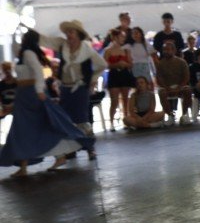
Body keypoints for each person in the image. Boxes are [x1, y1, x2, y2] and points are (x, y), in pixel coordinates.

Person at [1, 30, 93, 177]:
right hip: (25, 95)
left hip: (31, 94)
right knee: (30, 129)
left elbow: (38, 72)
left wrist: (39, 91)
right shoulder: (25, 53)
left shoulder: (28, 54)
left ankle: (34, 164)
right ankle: (33, 164)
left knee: (29, 128)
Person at [37, 20, 106, 160]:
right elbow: (45, 40)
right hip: (65, 88)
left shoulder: (87, 49)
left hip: (80, 88)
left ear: (78, 33)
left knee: (82, 119)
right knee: (66, 119)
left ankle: (90, 149)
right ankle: (71, 149)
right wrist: (30, 32)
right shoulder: (62, 45)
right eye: (67, 32)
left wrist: (92, 80)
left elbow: (102, 64)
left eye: (71, 32)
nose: (68, 34)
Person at [103, 29, 135, 131]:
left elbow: (131, 64)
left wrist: (125, 64)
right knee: (114, 100)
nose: (123, 39)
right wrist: (116, 64)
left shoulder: (126, 50)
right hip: (114, 75)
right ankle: (111, 122)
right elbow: (105, 65)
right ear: (115, 37)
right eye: (122, 37)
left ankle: (126, 120)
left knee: (125, 99)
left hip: (124, 74)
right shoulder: (108, 50)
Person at [155, 41, 192, 126]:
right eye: (164, 49)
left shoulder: (182, 62)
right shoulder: (160, 64)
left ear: (174, 50)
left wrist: (179, 87)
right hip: (167, 88)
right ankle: (170, 116)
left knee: (188, 90)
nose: (166, 51)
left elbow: (186, 77)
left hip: (180, 87)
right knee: (161, 92)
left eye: (168, 49)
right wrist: (167, 87)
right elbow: (159, 79)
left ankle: (184, 115)